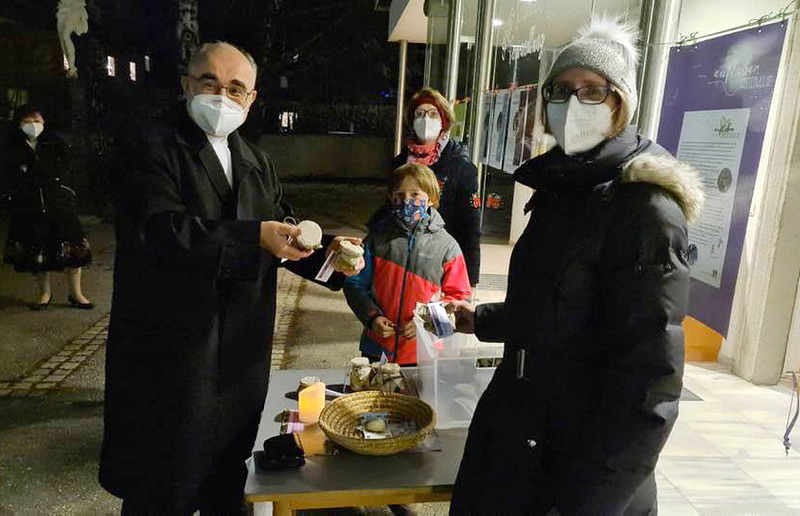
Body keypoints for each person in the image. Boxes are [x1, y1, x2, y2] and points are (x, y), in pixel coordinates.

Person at [448, 17, 705, 514]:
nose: (572, 104)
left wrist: (590, 504)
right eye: (561, 90)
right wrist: (482, 319)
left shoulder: (645, 210)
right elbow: (562, 310)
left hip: (579, 467)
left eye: (592, 91)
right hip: (524, 431)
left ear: (621, 104)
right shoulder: (563, 191)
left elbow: (649, 386)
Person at [100, 41, 362, 514]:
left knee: (228, 482)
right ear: (186, 85)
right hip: (171, 354)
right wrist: (254, 236)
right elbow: (160, 230)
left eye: (236, 88)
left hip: (239, 356)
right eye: (209, 83)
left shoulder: (255, 160)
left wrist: (332, 258)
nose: (222, 96)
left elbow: (280, 238)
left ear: (252, 99)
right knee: (164, 486)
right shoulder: (151, 147)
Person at [344, 163, 472, 365]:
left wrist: (426, 321)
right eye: (399, 194)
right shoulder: (377, 238)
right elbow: (354, 283)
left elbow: (459, 296)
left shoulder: (447, 247)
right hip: (378, 346)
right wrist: (372, 318)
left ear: (432, 198)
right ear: (390, 198)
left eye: (415, 194)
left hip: (424, 351)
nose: (406, 201)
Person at [1, 105, 93, 310]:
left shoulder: (54, 143)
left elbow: (62, 169)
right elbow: (12, 176)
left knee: (72, 251)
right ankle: (44, 293)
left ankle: (76, 294)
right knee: (37, 253)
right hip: (30, 207)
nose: (33, 125)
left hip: (59, 205)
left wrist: (37, 173)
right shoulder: (12, 148)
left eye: (37, 120)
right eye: (27, 121)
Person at [392, 88, 481, 287]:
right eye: (420, 114)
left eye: (433, 114)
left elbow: (471, 228)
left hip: (442, 262)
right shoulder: (399, 164)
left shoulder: (461, 167)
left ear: (443, 121)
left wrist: (470, 279)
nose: (426, 119)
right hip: (400, 260)